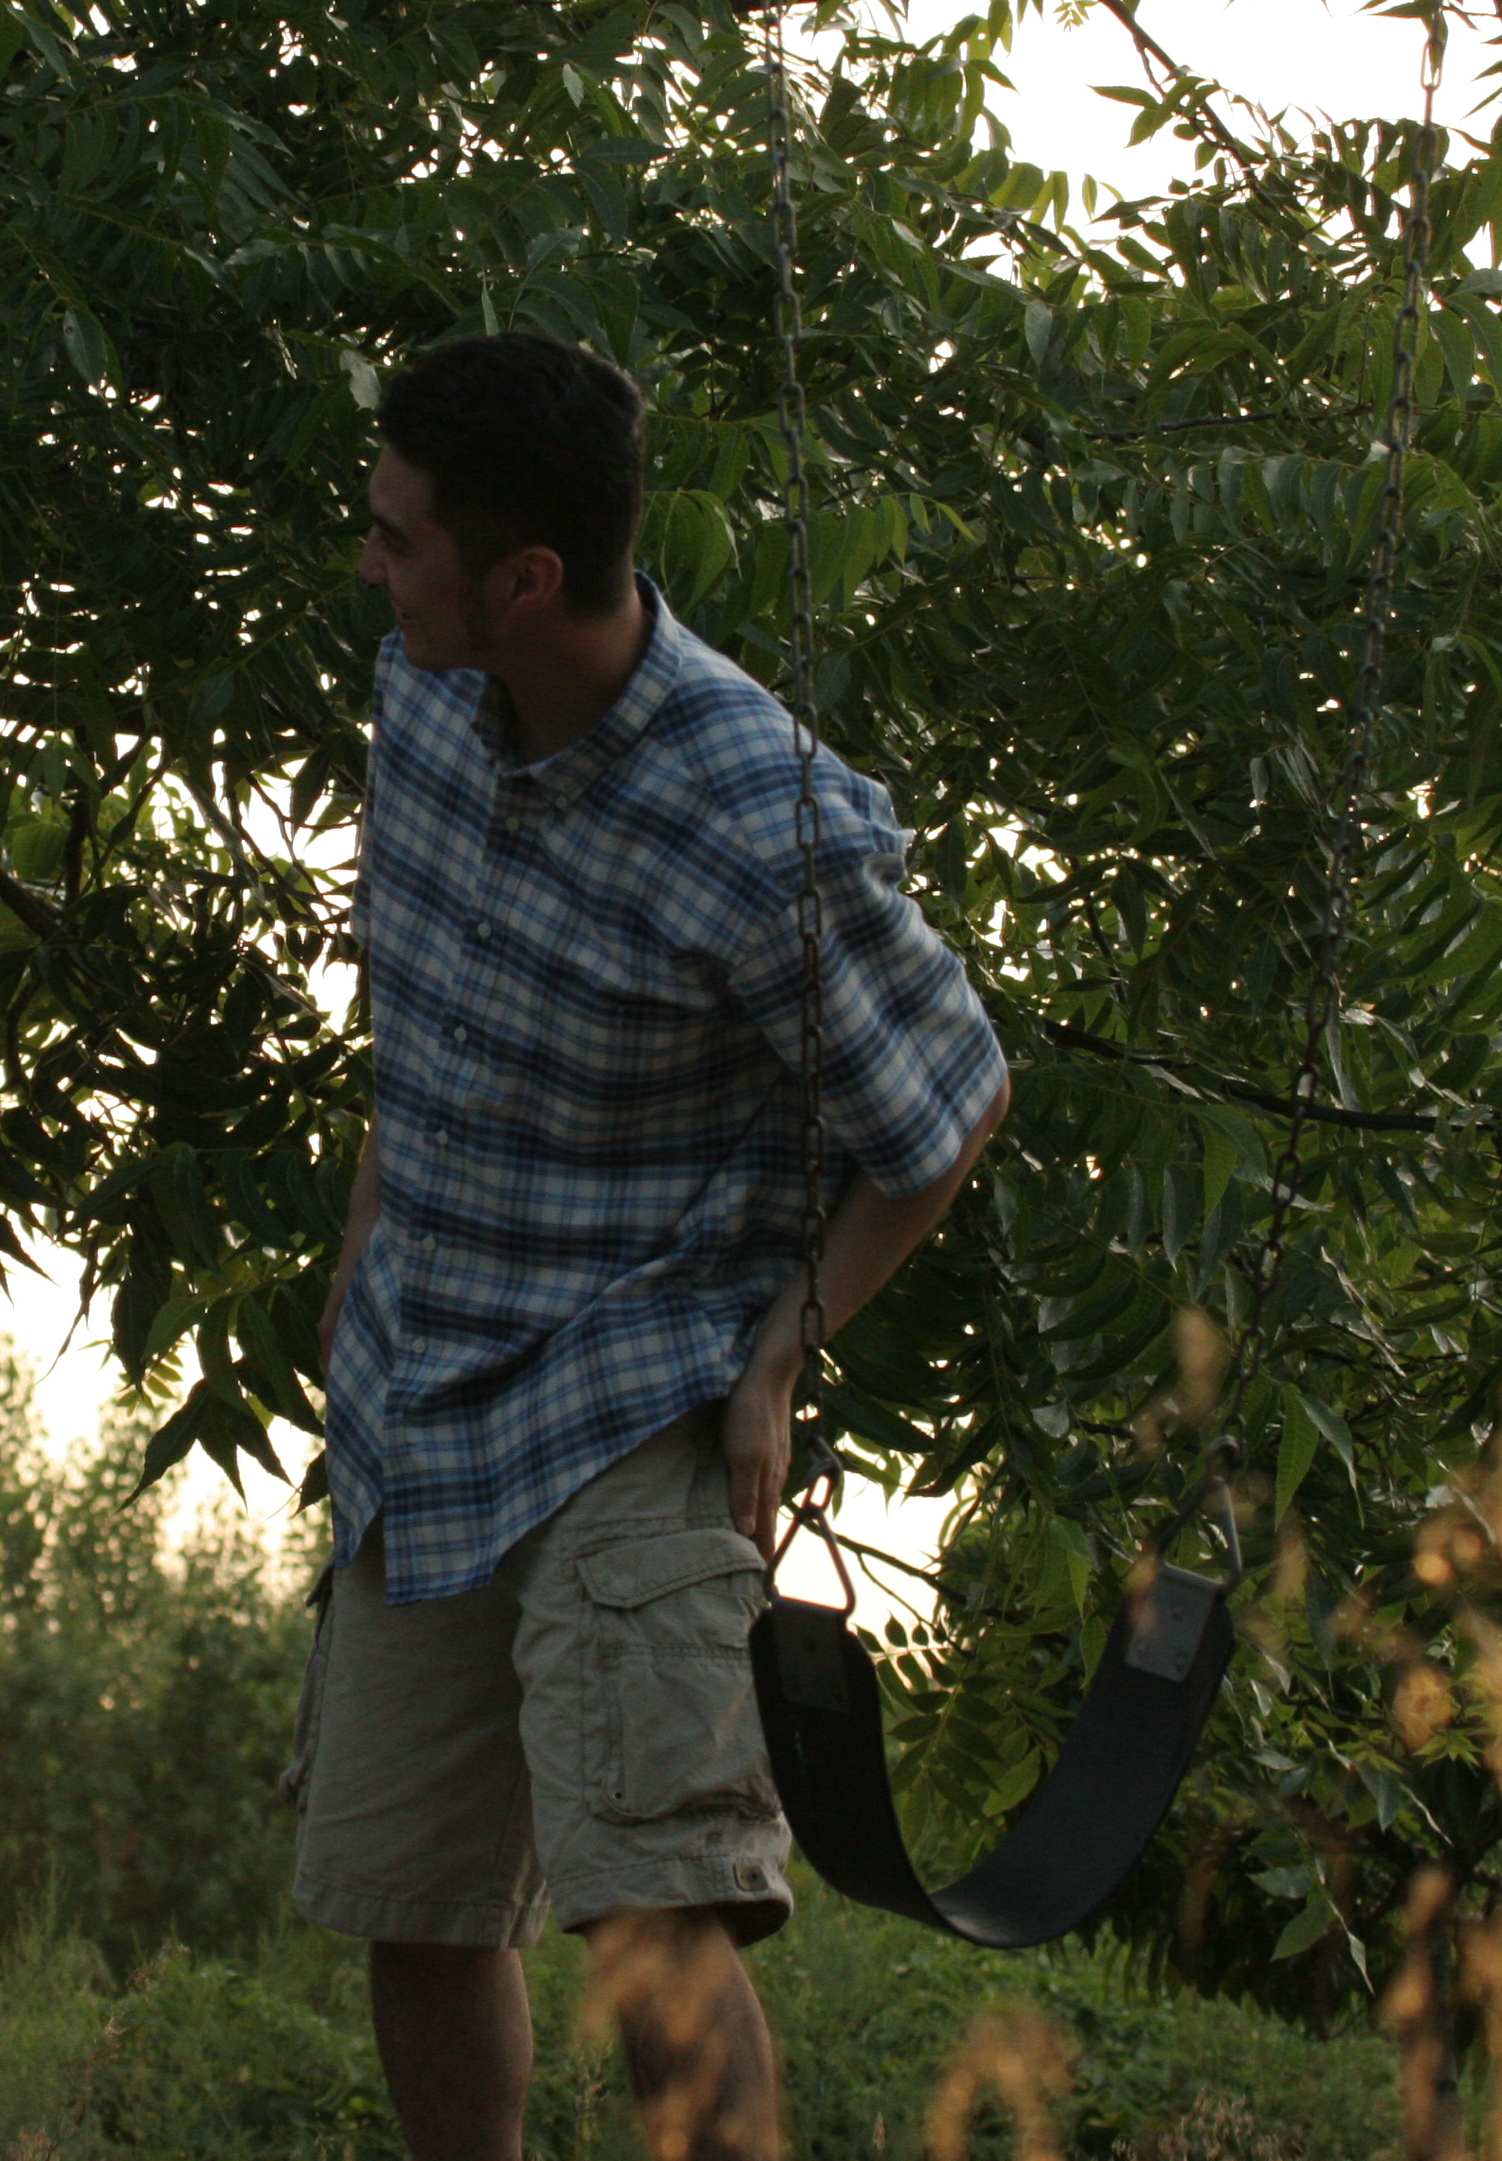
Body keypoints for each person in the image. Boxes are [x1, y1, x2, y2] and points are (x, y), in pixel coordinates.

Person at [296, 333, 1010, 2161]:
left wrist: (780, 1351)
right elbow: (420, 1005)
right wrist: (362, 1256)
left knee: (651, 1914)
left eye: (398, 537)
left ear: (524, 579)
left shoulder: (752, 810)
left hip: (627, 1389)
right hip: (416, 1392)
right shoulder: (421, 692)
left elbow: (945, 1108)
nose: (369, 563)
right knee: (413, 1901)